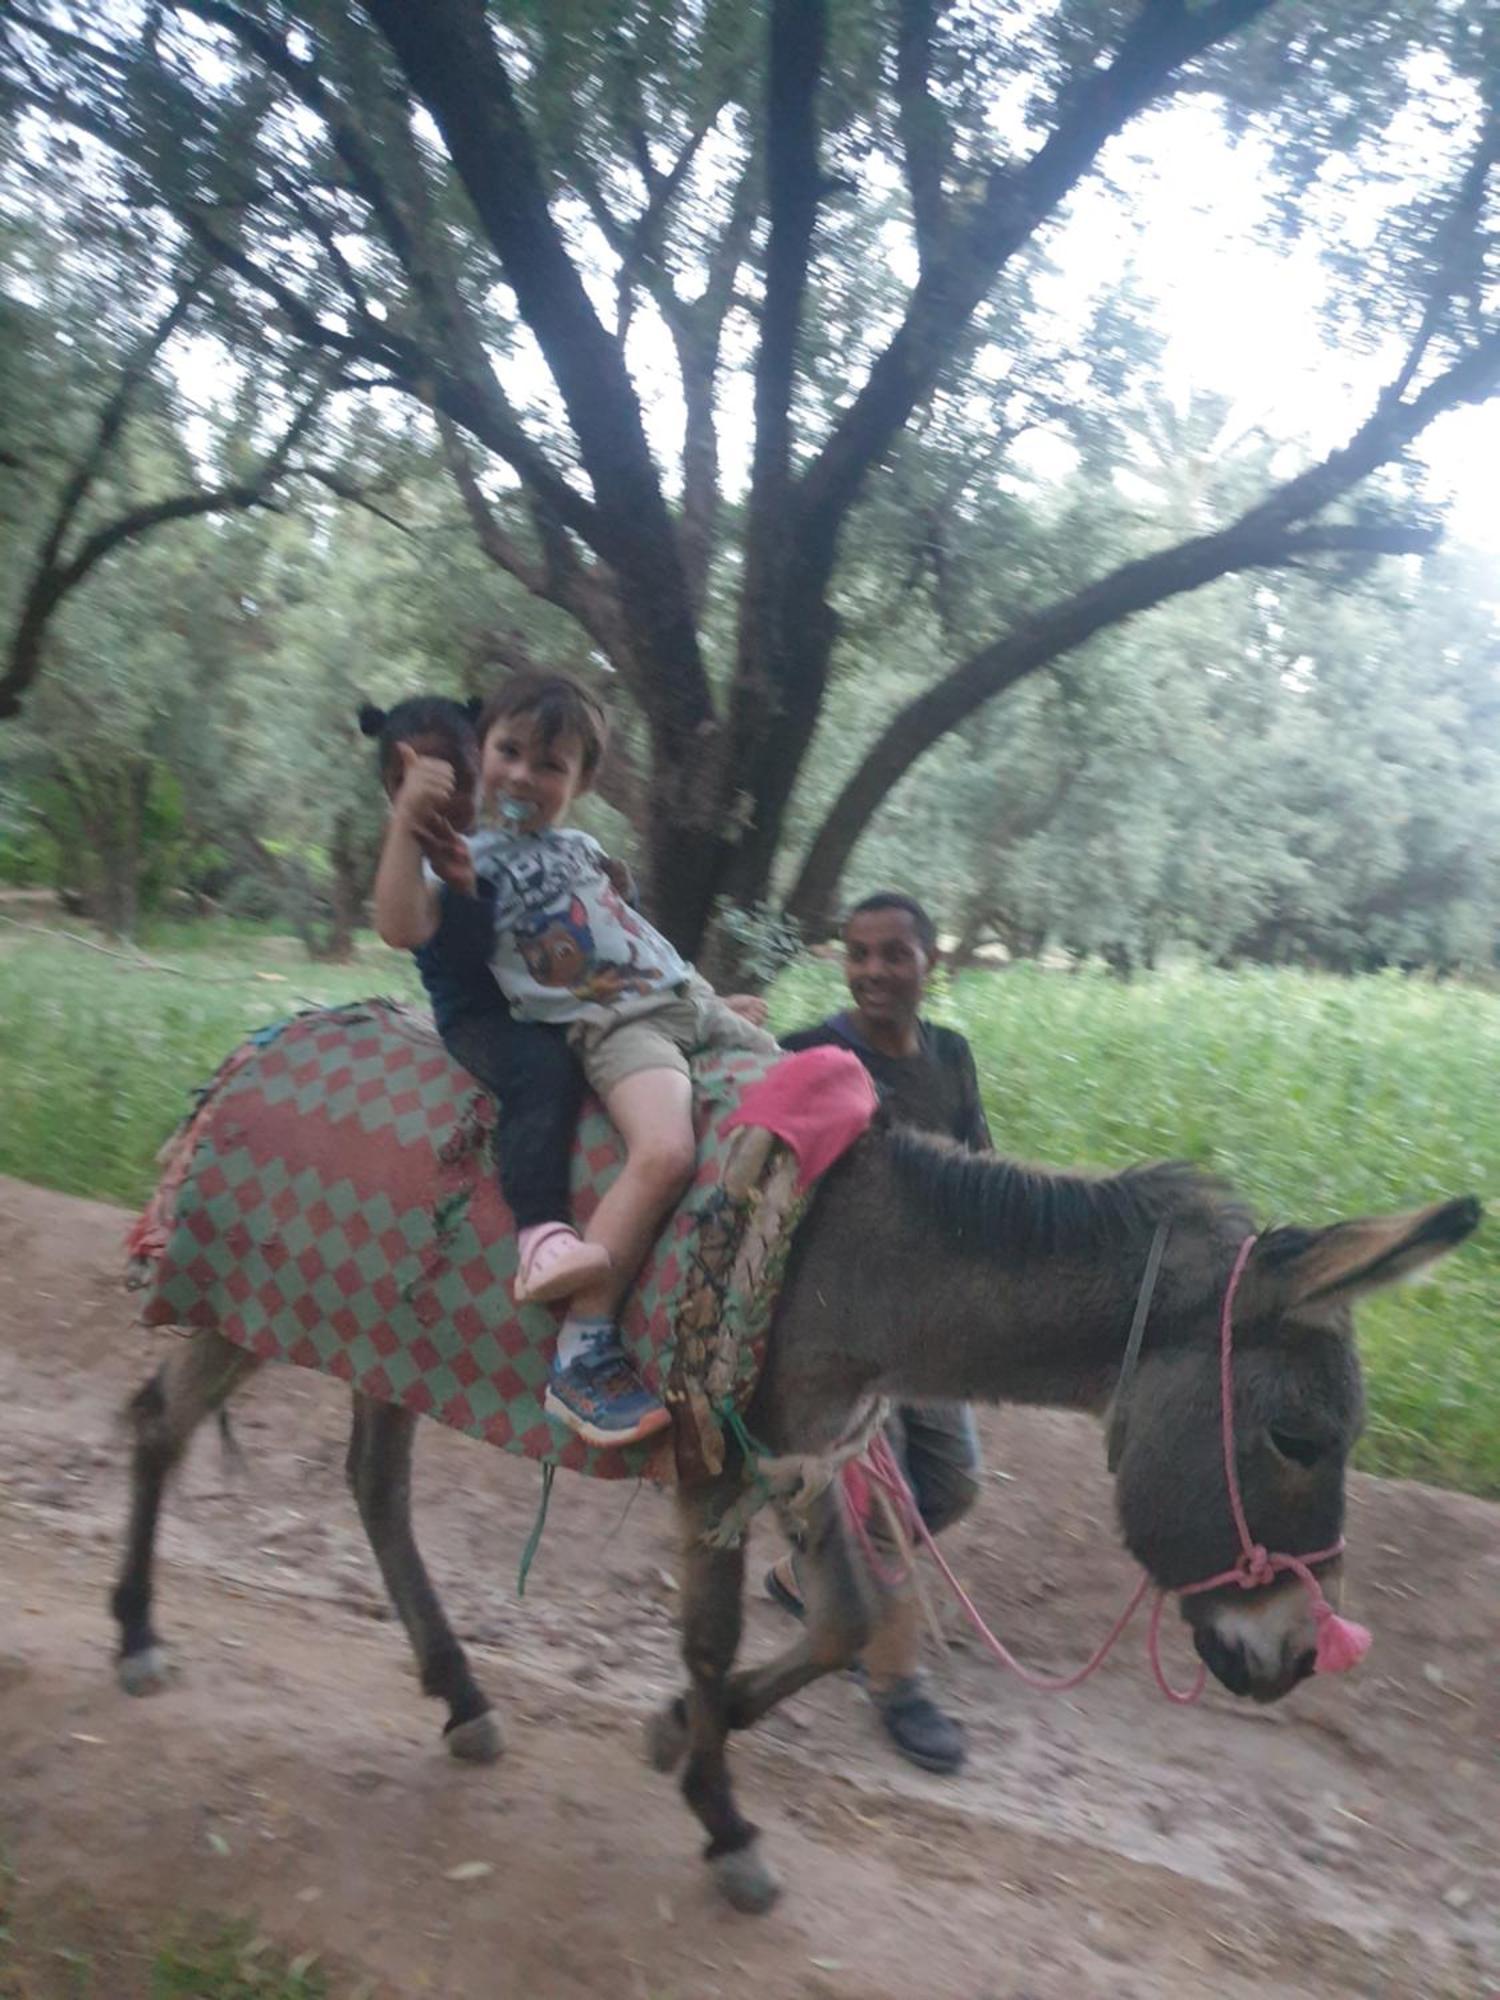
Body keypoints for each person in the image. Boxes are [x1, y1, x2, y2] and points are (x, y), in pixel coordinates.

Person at [373, 671, 779, 1450]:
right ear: (479, 752)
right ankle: (584, 1348)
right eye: (509, 752)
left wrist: (714, 1001)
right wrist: (405, 821)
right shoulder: (463, 856)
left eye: (551, 764)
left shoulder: (582, 848)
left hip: (683, 997)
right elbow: (398, 924)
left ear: (583, 782)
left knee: (791, 1086)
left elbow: (623, 937)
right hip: (615, 1026)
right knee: (665, 1149)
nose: (525, 775)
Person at [775, 892, 987, 1775]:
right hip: (841, 1330)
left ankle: (808, 1580)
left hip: (927, 1324)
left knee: (955, 1483)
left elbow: (978, 1168)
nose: (873, 972)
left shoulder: (950, 1057)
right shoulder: (810, 1054)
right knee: (885, 1513)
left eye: (894, 954)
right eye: (858, 954)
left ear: (930, 963)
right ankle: (893, 1680)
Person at [362, 696, 611, 1308]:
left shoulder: (516, 845)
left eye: (456, 779)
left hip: (555, 999)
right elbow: (398, 925)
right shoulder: (418, 862)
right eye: (413, 784)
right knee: (544, 1071)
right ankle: (540, 1228)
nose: (439, 799)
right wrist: (406, 826)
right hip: (485, 1016)